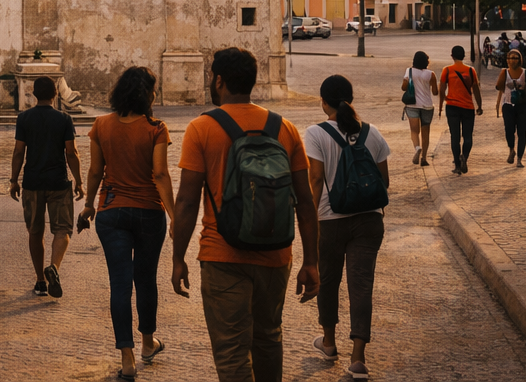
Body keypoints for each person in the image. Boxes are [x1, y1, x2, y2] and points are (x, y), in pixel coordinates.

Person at [171, 47, 319, 382]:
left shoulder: (201, 128)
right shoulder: (285, 129)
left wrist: (178, 258)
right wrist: (311, 261)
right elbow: (305, 203)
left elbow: (187, 202)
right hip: (275, 255)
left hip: (222, 255)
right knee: (268, 339)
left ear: (219, 81)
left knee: (231, 353)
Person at [77, 67, 175, 380]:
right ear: (148, 95)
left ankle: (127, 358)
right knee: (145, 279)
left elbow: (95, 171)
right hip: (148, 212)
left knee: (119, 284)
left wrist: (89, 204)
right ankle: (147, 343)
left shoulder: (101, 124)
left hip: (111, 211)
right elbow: (160, 174)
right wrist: (175, 216)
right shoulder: (156, 128)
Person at [305, 75, 391, 382]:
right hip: (369, 220)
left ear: (323, 102)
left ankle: (329, 343)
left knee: (328, 281)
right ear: (351, 100)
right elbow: (384, 180)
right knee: (361, 285)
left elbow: (316, 178)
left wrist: (310, 217)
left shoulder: (315, 133)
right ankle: (358, 359)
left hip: (330, 220)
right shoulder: (372, 132)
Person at [11, 75, 83, 298]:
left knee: (35, 231)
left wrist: (14, 180)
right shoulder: (64, 119)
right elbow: (71, 152)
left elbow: (19, 152)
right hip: (58, 182)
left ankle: (40, 281)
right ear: (55, 94)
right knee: (62, 230)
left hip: (32, 182)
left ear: (34, 94)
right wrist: (79, 181)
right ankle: (54, 267)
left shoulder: (24, 118)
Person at [438, 45, 483, 174]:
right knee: (468, 136)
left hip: (452, 107)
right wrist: (479, 106)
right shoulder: (471, 71)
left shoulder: (447, 70)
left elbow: (442, 90)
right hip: (468, 107)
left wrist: (440, 106)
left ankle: (457, 166)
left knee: (455, 137)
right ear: (464, 56)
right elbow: (476, 90)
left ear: (452, 56)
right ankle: (464, 157)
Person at [496, 48, 526, 167]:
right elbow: (498, 86)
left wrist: (524, 87)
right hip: (508, 105)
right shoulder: (504, 72)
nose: (512, 60)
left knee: (522, 132)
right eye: (510, 58)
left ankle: (519, 158)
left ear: (520, 60)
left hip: (523, 106)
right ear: (507, 60)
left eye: (515, 58)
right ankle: (511, 149)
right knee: (509, 130)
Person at [401, 51, 437, 166]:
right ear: (427, 62)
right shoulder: (431, 74)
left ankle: (417, 148)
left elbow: (403, 88)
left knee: (414, 131)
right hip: (427, 106)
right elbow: (435, 92)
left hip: (412, 105)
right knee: (425, 133)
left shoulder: (409, 71)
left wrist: (408, 82)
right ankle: (424, 158)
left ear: (414, 61)